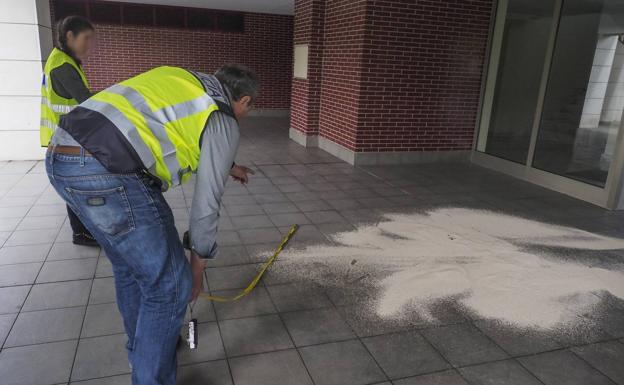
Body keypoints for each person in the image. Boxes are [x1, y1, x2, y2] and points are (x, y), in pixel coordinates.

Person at [46, 64, 256, 385]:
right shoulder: (223, 117)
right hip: (109, 170)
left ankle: (143, 347)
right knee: (172, 286)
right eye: (247, 108)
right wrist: (196, 270)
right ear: (243, 100)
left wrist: (229, 165)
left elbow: (177, 127)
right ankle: (150, 374)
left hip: (62, 155)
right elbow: (206, 206)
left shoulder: (186, 80)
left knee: (130, 267)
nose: (244, 113)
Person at [41, 15, 98, 246]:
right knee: (78, 187)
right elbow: (85, 99)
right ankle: (82, 233)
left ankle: (83, 232)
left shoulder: (61, 59)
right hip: (68, 137)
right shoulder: (63, 65)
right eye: (86, 38)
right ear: (70, 36)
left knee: (77, 186)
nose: (88, 45)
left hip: (67, 135)